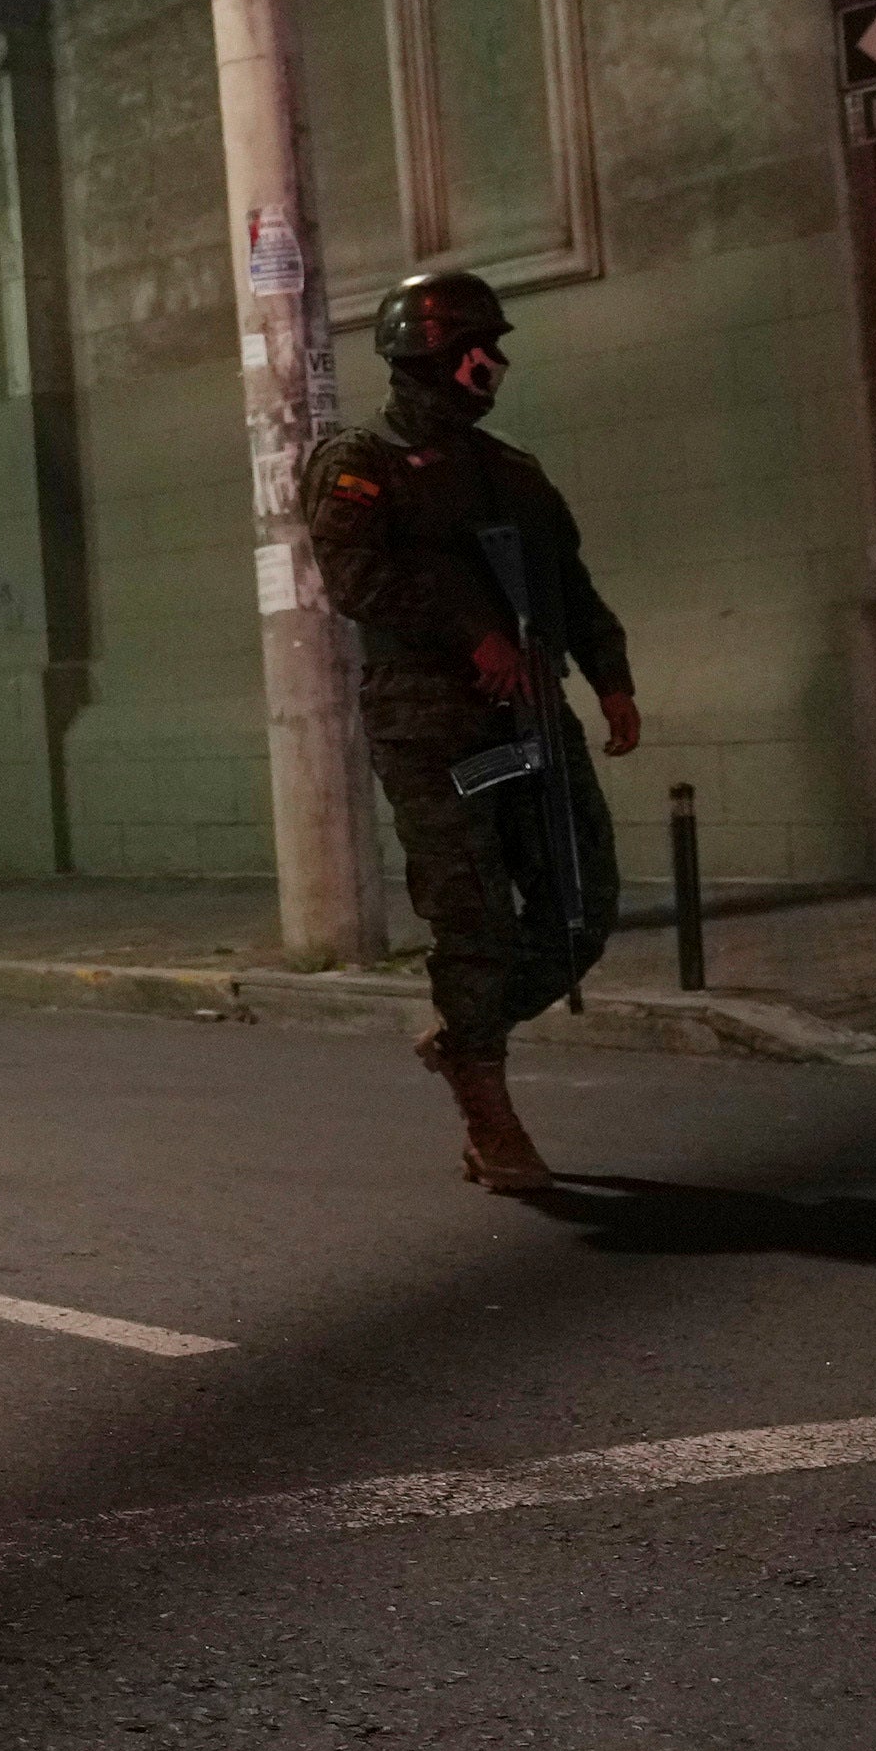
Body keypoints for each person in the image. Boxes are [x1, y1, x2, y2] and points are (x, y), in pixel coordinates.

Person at [299, 269, 639, 1193]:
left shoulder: (511, 473)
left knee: (581, 909)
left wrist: (610, 680)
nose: (495, 363)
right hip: (436, 730)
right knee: (474, 912)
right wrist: (469, 634)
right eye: (480, 346)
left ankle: (463, 1035)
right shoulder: (360, 462)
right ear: (436, 355)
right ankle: (491, 1117)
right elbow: (356, 581)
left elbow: (571, 586)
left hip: (525, 725)